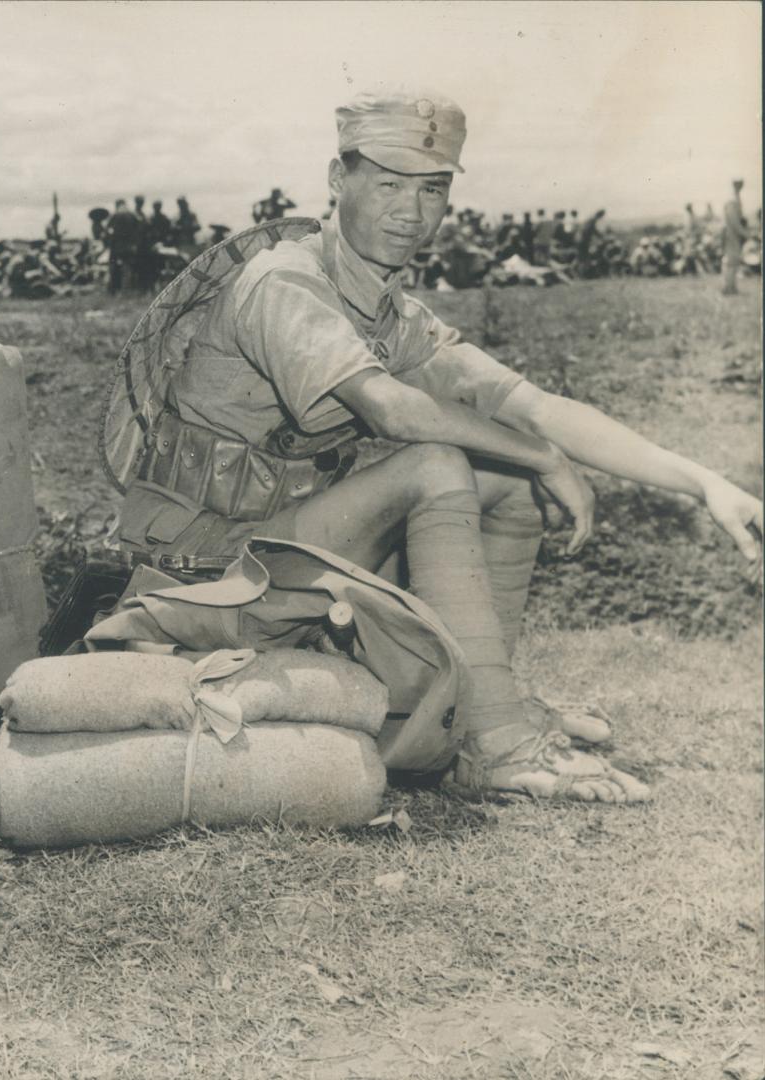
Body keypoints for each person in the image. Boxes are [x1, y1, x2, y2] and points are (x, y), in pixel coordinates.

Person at [111, 89, 762, 806]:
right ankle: (498, 745)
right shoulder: (284, 280)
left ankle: (489, 707)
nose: (410, 212)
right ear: (337, 179)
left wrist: (702, 482)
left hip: (272, 550)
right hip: (199, 568)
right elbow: (391, 409)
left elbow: (536, 406)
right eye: (388, 184)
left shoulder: (389, 311)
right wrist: (543, 455)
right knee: (439, 465)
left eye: (432, 190)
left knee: (507, 480)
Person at [105, 198, 140, 295]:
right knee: (127, 268)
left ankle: (112, 290)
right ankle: (126, 290)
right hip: (128, 247)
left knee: (113, 268)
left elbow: (108, 231)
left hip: (116, 247)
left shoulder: (114, 216)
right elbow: (137, 230)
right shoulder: (131, 215)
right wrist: (134, 244)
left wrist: (109, 243)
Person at [721, 179, 747, 296]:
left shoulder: (736, 197)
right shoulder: (731, 199)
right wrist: (744, 233)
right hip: (730, 233)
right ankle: (728, 288)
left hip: (733, 234)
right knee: (730, 261)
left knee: (734, 261)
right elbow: (734, 221)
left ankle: (732, 287)